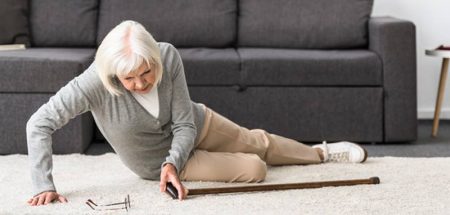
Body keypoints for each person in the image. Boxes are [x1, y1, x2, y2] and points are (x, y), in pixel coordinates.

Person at [26, 20, 368, 206]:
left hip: (193, 126)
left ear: (154, 60)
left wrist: (179, 155)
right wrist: (45, 183)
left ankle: (320, 153)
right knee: (256, 167)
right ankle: (220, 157)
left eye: (146, 73)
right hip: (157, 163)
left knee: (256, 142)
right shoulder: (92, 83)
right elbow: (39, 123)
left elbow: (185, 122)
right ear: (113, 73)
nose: (140, 83)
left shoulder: (168, 56)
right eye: (128, 79)